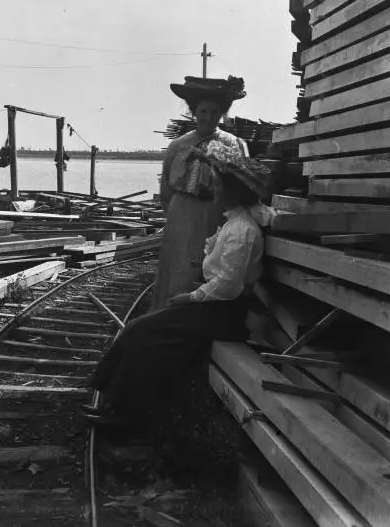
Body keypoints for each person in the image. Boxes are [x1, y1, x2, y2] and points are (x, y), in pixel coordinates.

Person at [82, 145, 274, 431]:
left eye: (220, 186)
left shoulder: (242, 230)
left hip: (226, 314)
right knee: (140, 329)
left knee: (143, 333)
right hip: (218, 309)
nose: (215, 191)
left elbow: (228, 285)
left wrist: (190, 297)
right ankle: (114, 402)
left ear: (236, 192)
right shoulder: (235, 223)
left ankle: (126, 416)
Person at [152, 76, 249, 310]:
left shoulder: (235, 144)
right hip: (181, 215)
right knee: (179, 266)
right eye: (203, 111)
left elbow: (246, 184)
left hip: (216, 215)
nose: (208, 117)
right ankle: (168, 315)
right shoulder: (178, 146)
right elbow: (166, 189)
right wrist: (176, 216)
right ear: (194, 112)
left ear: (222, 113)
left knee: (210, 267)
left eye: (215, 111)